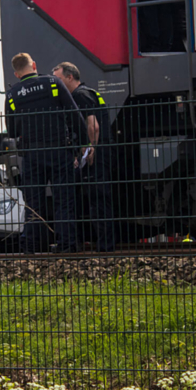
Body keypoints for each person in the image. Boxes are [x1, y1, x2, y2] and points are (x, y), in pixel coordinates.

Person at [4, 53, 88, 254]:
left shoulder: (12, 94)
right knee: (64, 200)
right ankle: (66, 246)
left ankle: (31, 249)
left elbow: (12, 131)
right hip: (59, 151)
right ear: (34, 64)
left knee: (33, 203)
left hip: (32, 154)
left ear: (16, 74)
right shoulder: (53, 83)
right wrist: (84, 143)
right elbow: (73, 113)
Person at [52, 62, 114, 252]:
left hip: (96, 154)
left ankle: (104, 247)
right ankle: (102, 244)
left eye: (59, 79)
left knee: (96, 200)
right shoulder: (90, 92)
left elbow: (92, 125)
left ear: (70, 77)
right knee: (99, 199)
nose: (56, 85)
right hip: (103, 151)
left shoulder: (79, 95)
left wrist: (89, 149)